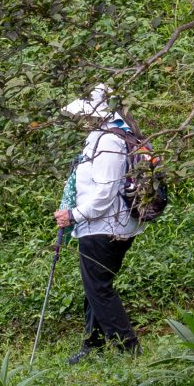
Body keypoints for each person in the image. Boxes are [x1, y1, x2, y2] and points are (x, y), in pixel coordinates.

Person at [54, 84, 142, 360]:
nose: (81, 120)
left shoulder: (108, 142)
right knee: (95, 286)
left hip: (104, 227)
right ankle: (92, 345)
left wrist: (74, 215)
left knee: (99, 289)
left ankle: (129, 349)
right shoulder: (107, 136)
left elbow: (104, 193)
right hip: (104, 226)